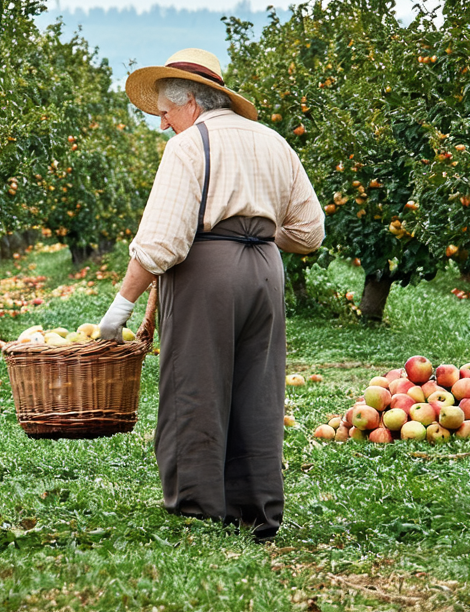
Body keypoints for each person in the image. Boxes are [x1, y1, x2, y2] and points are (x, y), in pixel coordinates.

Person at [97, 48, 324, 541]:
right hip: (266, 272)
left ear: (191, 104)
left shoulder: (188, 146)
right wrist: (256, 235)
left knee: (194, 385)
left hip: (207, 273)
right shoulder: (273, 142)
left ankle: (198, 507)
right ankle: (257, 510)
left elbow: (161, 242)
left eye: (164, 114)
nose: (162, 126)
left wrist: (121, 306)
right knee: (258, 388)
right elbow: (309, 232)